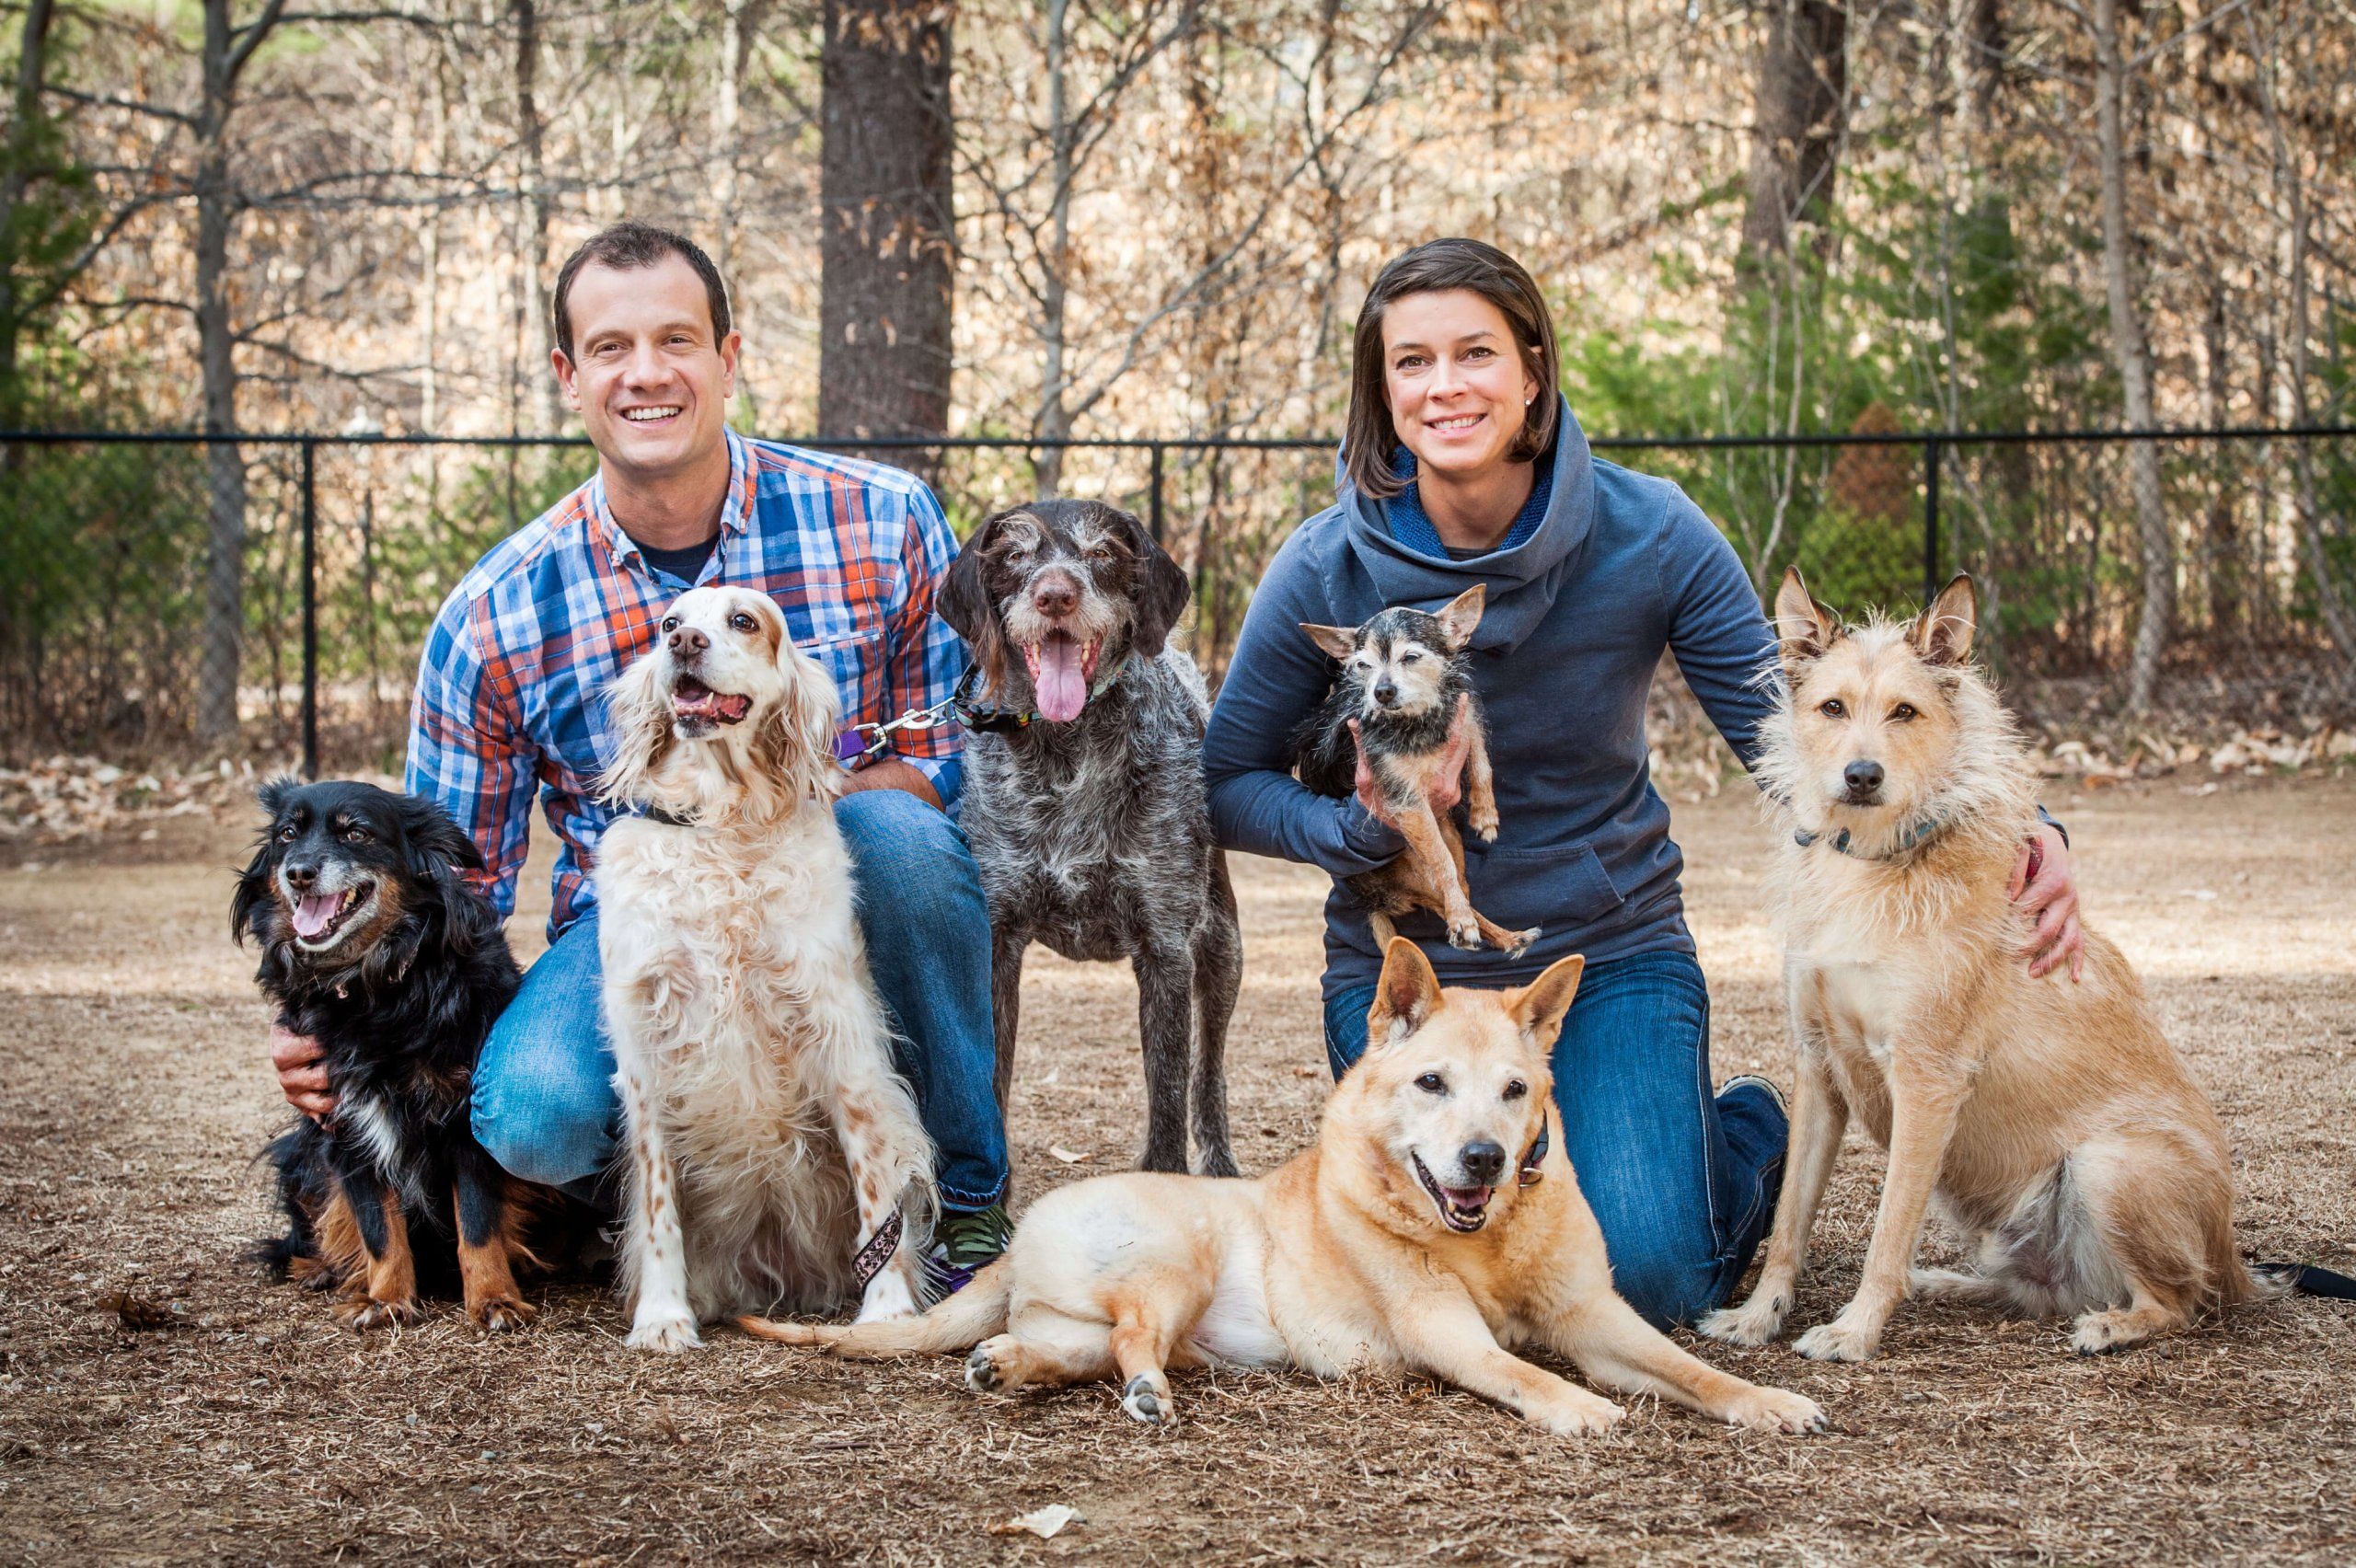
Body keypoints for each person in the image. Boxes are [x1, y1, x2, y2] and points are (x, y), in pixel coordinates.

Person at [1199, 238, 2085, 1327]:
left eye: (1474, 353)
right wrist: (1352, 828)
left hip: (1608, 954)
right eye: (1411, 363)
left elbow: (1805, 732)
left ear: (1531, 370)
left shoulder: (1652, 532)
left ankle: (1739, 1133)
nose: (1445, 387)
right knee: (1460, 1271)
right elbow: (1225, 781)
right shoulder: (1323, 564)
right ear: (1381, 393)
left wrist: (2023, 824)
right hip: (1418, 979)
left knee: (1647, 1281)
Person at [268, 221, 1012, 1284]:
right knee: (526, 1119)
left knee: (898, 836)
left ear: (729, 357)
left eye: (677, 340)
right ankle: (676, 1210)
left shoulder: (882, 518)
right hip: (635, 916)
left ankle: (968, 1207)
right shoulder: (495, 611)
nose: (647, 374)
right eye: (611, 348)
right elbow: (444, 878)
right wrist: (326, 1008)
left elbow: (944, 753)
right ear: (569, 376)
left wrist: (771, 826)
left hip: (818, 877)